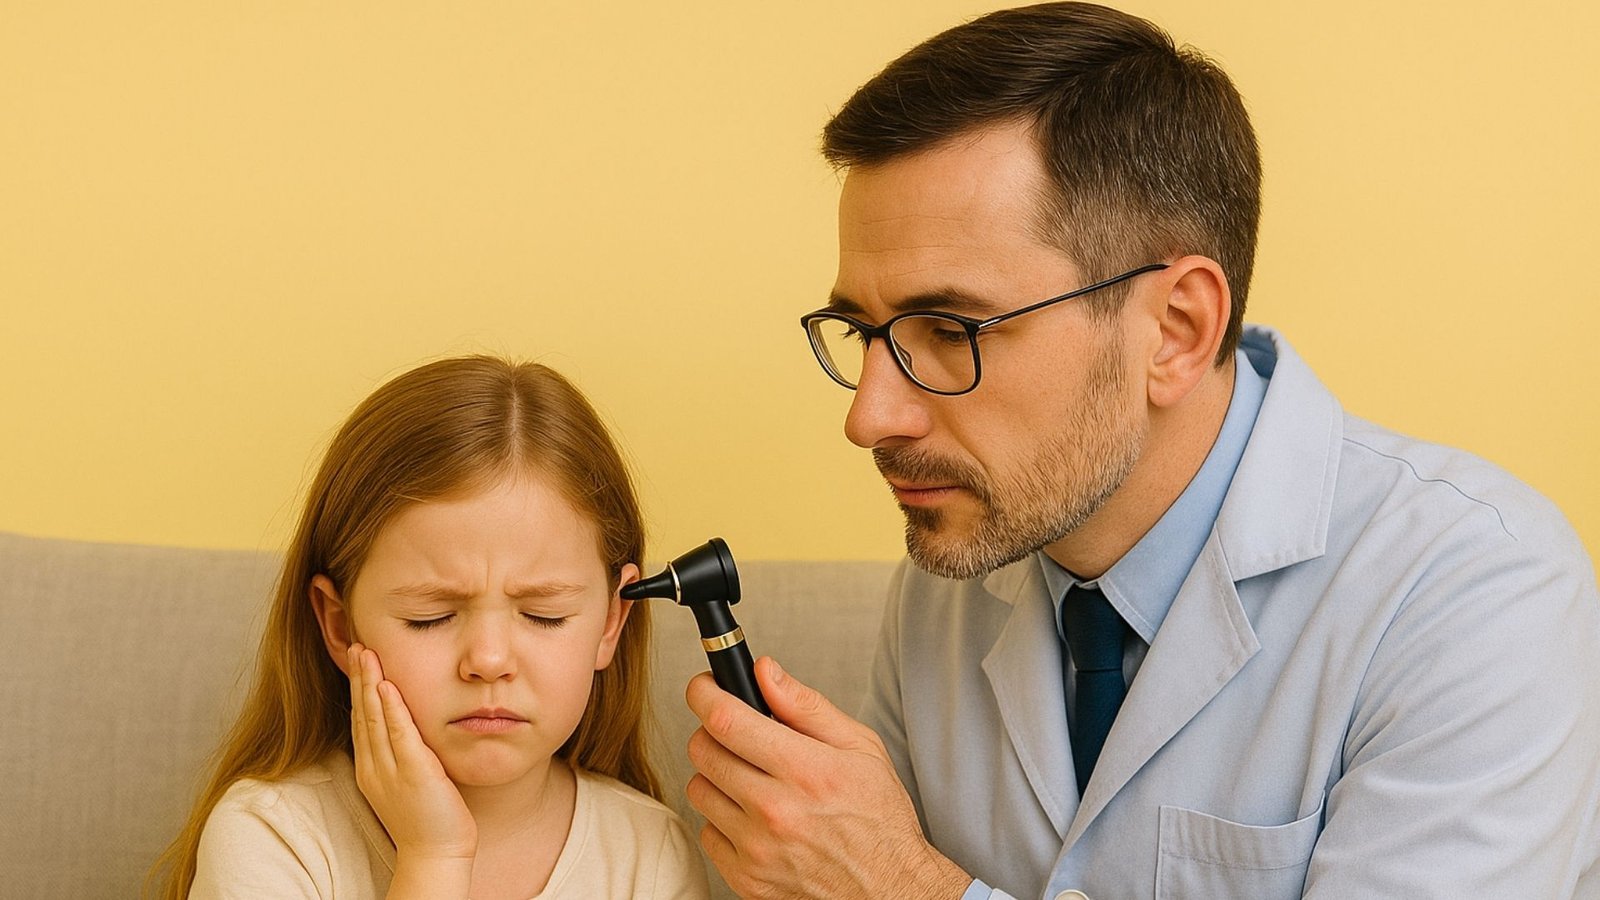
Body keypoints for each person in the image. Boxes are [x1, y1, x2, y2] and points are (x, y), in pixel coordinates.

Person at [682, 3, 1600, 899]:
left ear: (1176, 329)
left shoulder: (1476, 594)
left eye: (951, 331)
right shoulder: (948, 582)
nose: (870, 417)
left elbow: (883, 874)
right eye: (863, 334)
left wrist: (901, 887)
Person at [151, 356, 710, 899]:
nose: (489, 660)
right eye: (430, 617)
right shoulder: (273, 837)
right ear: (340, 626)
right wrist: (433, 859)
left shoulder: (650, 853)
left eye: (545, 615)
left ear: (610, 623)